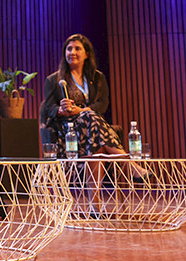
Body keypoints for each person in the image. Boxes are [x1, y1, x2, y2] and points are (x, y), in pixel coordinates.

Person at [39, 34, 146, 209]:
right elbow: (48, 108)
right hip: (68, 131)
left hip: (93, 132)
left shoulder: (97, 78)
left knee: (96, 142)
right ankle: (128, 164)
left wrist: (80, 110)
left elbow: (102, 105)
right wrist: (61, 109)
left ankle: (94, 206)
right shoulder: (54, 79)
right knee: (92, 120)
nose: (72, 52)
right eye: (69, 48)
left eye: (77, 48)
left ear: (87, 53)